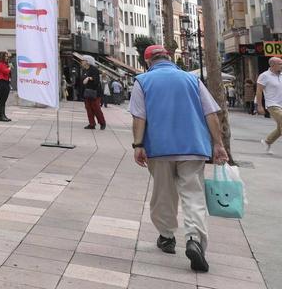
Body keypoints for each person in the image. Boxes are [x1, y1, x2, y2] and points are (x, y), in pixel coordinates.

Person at [131, 44, 229, 273]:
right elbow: (211, 114)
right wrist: (218, 144)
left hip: (159, 148)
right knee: (193, 195)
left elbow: (139, 117)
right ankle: (194, 239)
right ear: (170, 57)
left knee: (163, 194)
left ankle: (166, 237)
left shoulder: (143, 81)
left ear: (148, 61)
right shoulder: (192, 80)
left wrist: (138, 145)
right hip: (193, 146)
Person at [256, 56, 282, 154]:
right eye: (280, 64)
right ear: (272, 65)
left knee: (280, 128)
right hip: (272, 105)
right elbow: (259, 91)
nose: (281, 65)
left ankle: (267, 141)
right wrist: (259, 105)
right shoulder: (264, 76)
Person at [80, 56, 107, 130]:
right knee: (88, 108)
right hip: (87, 92)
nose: (81, 61)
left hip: (95, 92)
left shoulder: (94, 69)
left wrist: (89, 78)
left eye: (83, 60)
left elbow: (96, 80)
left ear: (87, 61)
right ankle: (92, 124)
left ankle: (102, 123)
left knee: (96, 108)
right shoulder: (84, 70)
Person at [0, 51, 12, 122]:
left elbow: (8, 73)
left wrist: (9, 67)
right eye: (5, 56)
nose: (7, 57)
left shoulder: (5, 64)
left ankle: (3, 115)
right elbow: (5, 71)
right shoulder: (0, 64)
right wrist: (9, 68)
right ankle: (1, 116)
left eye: (7, 56)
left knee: (3, 100)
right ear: (2, 57)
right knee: (2, 100)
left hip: (6, 82)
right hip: (2, 83)